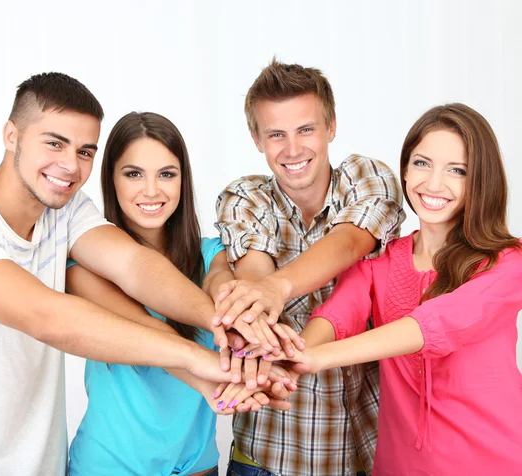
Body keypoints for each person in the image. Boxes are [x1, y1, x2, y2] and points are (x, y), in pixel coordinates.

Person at [0, 73, 276, 476]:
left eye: (85, 151)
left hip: (46, 466)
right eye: (54, 143)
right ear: (11, 135)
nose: (70, 165)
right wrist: (203, 360)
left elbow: (134, 265)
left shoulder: (66, 211)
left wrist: (218, 325)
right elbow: (45, 316)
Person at [269, 103, 522, 475]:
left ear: (479, 181)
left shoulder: (509, 263)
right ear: (404, 169)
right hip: (397, 466)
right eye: (422, 163)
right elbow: (336, 316)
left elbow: (432, 325)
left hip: (492, 462)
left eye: (457, 170)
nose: (433, 184)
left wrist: (317, 360)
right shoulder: (382, 262)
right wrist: (292, 358)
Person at [65, 112, 295, 476]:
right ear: (111, 179)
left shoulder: (211, 252)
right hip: (108, 465)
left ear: (183, 181)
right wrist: (229, 367)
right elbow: (150, 332)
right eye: (133, 174)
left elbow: (220, 282)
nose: (152, 191)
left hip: (197, 465)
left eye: (167, 174)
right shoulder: (83, 267)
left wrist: (244, 322)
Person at [213, 59, 405, 475]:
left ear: (331, 127)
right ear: (256, 139)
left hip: (363, 452)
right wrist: (261, 298)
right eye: (276, 134)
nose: (293, 149)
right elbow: (254, 275)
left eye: (306, 129)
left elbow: (350, 241)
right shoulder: (244, 197)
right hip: (268, 456)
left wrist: (277, 288)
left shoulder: (366, 176)